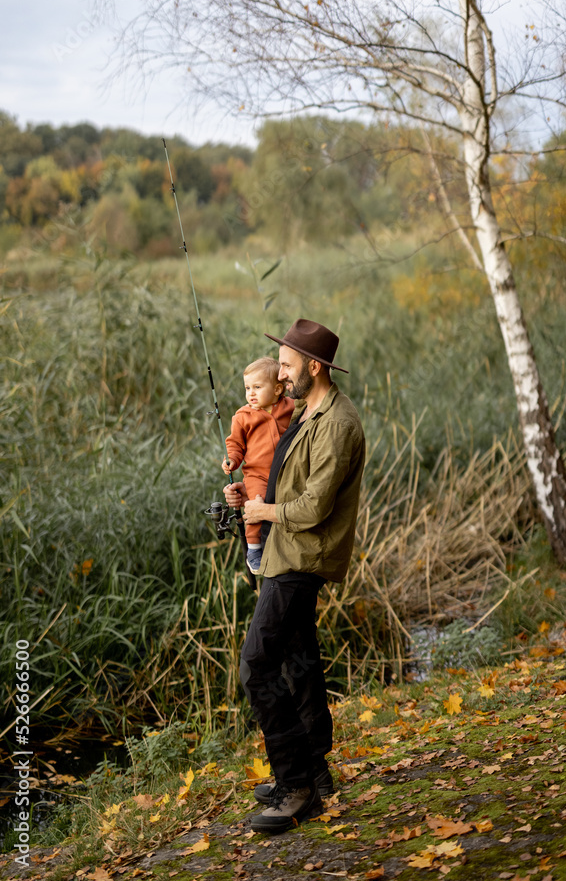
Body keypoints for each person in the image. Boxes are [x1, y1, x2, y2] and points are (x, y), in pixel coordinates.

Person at [223, 318, 365, 834]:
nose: (279, 377)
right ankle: (315, 771)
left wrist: (264, 515)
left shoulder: (337, 424)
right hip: (286, 551)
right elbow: (282, 482)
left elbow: (313, 507)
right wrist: (248, 498)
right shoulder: (306, 413)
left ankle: (295, 785)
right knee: (299, 660)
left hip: (303, 557)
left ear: (313, 366)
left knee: (256, 665)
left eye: (285, 366)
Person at [222, 357, 295, 573]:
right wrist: (232, 460)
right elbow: (234, 444)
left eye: (257, 387)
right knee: (255, 505)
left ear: (277, 389)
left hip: (285, 471)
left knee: (283, 505)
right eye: (247, 388)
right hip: (257, 474)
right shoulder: (243, 417)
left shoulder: (290, 407)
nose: (250, 393)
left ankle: (282, 545)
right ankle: (254, 549)